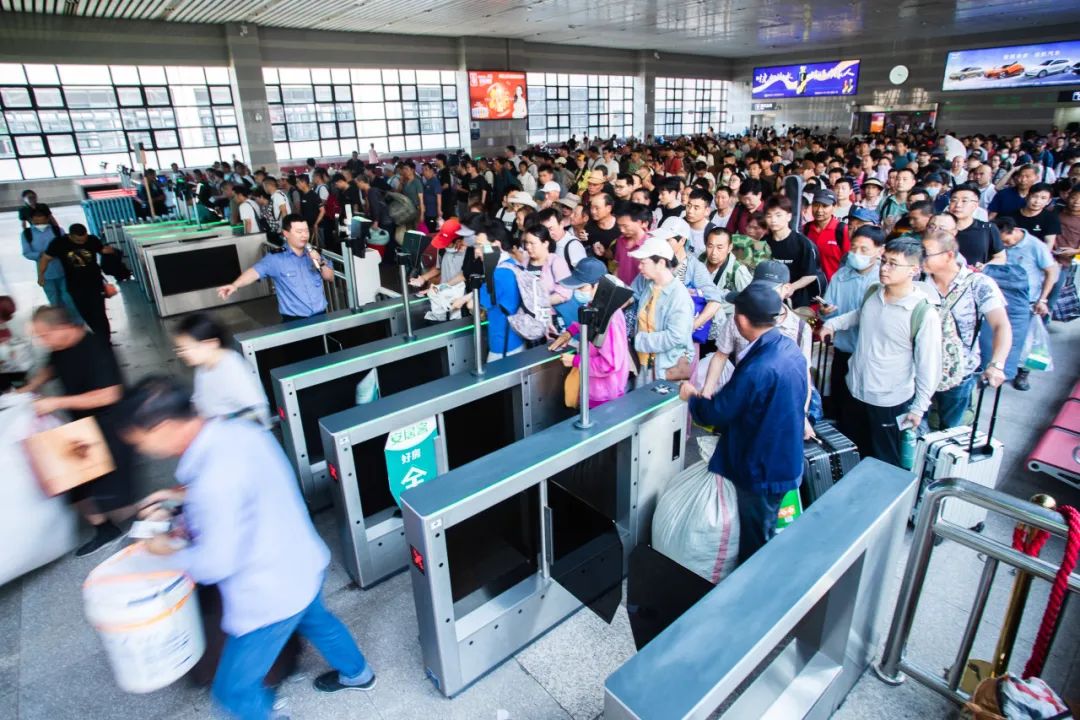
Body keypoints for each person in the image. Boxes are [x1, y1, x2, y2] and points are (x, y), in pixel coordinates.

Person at [120, 376, 375, 720]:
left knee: (233, 690)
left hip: (270, 595)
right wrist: (181, 496)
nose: (143, 452)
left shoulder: (211, 481)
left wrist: (165, 551)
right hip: (302, 560)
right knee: (318, 622)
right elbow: (243, 487)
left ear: (163, 428)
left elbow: (214, 564)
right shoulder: (239, 430)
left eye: (141, 442)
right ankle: (359, 674)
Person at [679, 282, 807, 564]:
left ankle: (754, 584)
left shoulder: (758, 368)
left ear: (741, 320)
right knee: (764, 526)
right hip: (784, 456)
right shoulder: (787, 348)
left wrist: (692, 397)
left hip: (762, 468)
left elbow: (717, 413)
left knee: (756, 539)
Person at [19, 305, 134, 556]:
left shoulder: (95, 349)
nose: (42, 341)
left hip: (109, 424)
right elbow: (51, 367)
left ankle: (134, 520)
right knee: (74, 481)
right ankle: (104, 529)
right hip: (81, 423)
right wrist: (28, 388)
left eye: (44, 335)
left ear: (63, 327)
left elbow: (110, 394)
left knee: (110, 495)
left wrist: (56, 402)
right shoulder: (59, 347)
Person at [820, 238, 942, 467]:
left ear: (913, 270)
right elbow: (860, 314)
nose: (884, 268)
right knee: (852, 451)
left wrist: (919, 407)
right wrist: (833, 324)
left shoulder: (922, 313)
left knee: (883, 460)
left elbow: (929, 365)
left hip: (888, 401)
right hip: (855, 389)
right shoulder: (874, 292)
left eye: (893, 264)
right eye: (884, 261)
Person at [920, 230, 1010, 429]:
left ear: (949, 255)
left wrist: (997, 364)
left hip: (959, 373)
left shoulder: (978, 284)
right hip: (918, 369)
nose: (920, 258)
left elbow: (1001, 325)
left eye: (926, 253)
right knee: (913, 426)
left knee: (950, 428)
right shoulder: (918, 281)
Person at [818, 226, 886, 419]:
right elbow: (827, 315)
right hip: (844, 349)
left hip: (872, 355)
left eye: (864, 249)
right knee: (840, 401)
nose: (857, 254)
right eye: (854, 248)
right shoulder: (840, 276)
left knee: (862, 410)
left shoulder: (883, 279)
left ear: (880, 251)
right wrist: (824, 312)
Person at [218, 214, 334, 323]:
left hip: (321, 315)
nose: (304, 235)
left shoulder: (314, 254)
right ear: (286, 233)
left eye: (306, 231)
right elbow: (254, 272)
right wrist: (235, 285)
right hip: (295, 320)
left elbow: (330, 277)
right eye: (299, 232)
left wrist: (320, 261)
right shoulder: (276, 259)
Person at [548, 258, 630, 408]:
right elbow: (590, 324)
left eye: (582, 287)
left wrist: (576, 361)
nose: (578, 292)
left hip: (605, 395)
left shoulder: (611, 318)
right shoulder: (596, 303)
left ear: (598, 285)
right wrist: (569, 332)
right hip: (592, 387)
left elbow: (610, 364)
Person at [993, 216, 1059, 391]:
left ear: (1014, 231)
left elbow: (1051, 272)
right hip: (1001, 298)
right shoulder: (998, 244)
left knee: (1027, 340)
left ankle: (1023, 373)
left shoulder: (1036, 246)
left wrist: (1042, 299)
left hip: (1027, 302)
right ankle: (999, 369)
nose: (1004, 245)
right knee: (1002, 336)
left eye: (1006, 241)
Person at [172, 313, 271, 427]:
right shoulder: (203, 365)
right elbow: (199, 401)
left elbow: (258, 412)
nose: (182, 354)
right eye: (180, 349)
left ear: (211, 344)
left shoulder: (233, 370)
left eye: (187, 348)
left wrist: (219, 423)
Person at [629, 232, 695, 383]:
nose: (639, 267)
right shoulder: (649, 286)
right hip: (645, 364)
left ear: (660, 263)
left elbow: (675, 336)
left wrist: (638, 341)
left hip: (665, 368)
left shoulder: (679, 296)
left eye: (644, 263)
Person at [38, 223, 118, 338]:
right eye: (78, 240)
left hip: (95, 282)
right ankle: (99, 334)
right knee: (85, 313)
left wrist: (111, 251)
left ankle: (105, 338)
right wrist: (41, 275)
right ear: (70, 235)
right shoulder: (59, 243)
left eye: (84, 239)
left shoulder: (92, 240)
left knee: (99, 312)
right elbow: (45, 258)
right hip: (75, 285)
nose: (82, 242)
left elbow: (102, 249)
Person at [761, 195, 823, 308]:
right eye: (769, 215)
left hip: (796, 303)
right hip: (769, 300)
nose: (773, 220)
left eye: (778, 215)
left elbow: (811, 275)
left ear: (789, 216)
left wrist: (791, 287)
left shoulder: (802, 243)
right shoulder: (763, 242)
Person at [22, 206, 80, 321]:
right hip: (45, 273)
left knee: (69, 297)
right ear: (31, 219)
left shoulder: (57, 230)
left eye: (41, 217)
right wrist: (42, 255)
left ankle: (76, 321)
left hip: (63, 271)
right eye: (35, 218)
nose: (38, 220)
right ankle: (61, 322)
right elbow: (27, 253)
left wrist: (56, 253)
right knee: (54, 299)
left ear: (47, 218)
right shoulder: (27, 234)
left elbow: (67, 247)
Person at [948, 184, 1006, 266]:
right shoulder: (940, 228)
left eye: (964, 201)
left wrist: (984, 267)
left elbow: (1000, 257)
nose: (958, 205)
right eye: (954, 200)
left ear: (975, 205)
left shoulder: (988, 228)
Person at [803, 188, 849, 281]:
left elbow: (848, 262)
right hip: (810, 284)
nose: (819, 210)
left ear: (834, 207)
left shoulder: (842, 230)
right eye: (816, 205)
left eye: (825, 206)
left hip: (835, 284)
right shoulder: (805, 229)